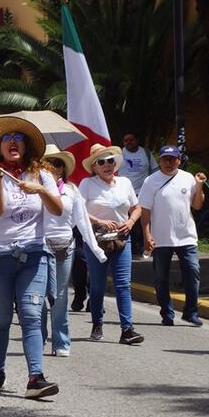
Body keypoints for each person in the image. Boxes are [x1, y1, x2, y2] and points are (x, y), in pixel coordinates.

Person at [0, 116, 63, 399]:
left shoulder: (43, 175)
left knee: (32, 315)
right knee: (2, 319)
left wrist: (42, 190)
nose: (11, 142)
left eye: (17, 137)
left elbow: (57, 210)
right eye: (6, 138)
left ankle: (36, 378)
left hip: (34, 254)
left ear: (27, 145)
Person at [40, 145, 107, 357]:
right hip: (39, 247)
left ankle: (61, 341)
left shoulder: (72, 190)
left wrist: (95, 249)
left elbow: (82, 222)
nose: (53, 167)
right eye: (48, 163)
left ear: (63, 168)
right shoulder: (33, 188)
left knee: (60, 297)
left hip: (65, 246)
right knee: (39, 297)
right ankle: (38, 339)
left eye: (58, 163)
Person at [80, 143, 144, 345]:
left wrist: (131, 221)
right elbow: (78, 212)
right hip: (96, 241)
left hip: (121, 238)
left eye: (110, 160)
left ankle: (127, 329)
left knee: (123, 285)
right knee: (98, 287)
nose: (107, 165)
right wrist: (99, 221)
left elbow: (137, 207)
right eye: (102, 162)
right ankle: (97, 322)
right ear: (94, 167)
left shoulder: (124, 183)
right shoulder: (87, 185)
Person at [139, 145, 206, 327]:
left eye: (172, 159)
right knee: (161, 277)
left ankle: (190, 312)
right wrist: (147, 235)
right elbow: (144, 211)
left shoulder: (187, 178)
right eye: (165, 159)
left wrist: (199, 186)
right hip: (161, 238)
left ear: (179, 160)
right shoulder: (151, 181)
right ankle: (167, 313)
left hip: (187, 236)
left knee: (193, 273)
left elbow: (197, 205)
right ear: (160, 160)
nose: (169, 163)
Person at [118, 133, 153, 255]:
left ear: (137, 140)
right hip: (124, 194)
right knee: (127, 220)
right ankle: (130, 246)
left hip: (142, 193)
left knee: (143, 220)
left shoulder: (146, 153)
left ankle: (142, 244)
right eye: (126, 140)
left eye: (131, 139)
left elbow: (155, 169)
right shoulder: (119, 154)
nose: (128, 142)